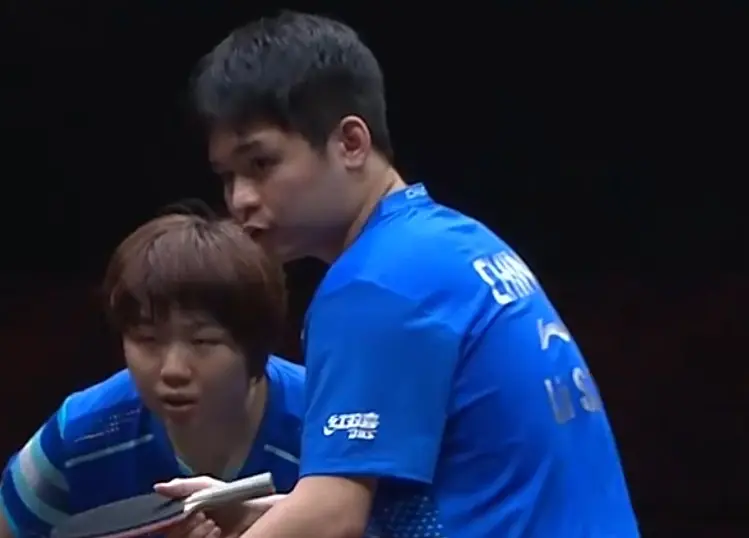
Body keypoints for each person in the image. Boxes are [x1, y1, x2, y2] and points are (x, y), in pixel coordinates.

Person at [161, 11, 640, 538]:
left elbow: (333, 518)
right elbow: (434, 492)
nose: (240, 200)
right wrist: (270, 515)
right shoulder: (455, 241)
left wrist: (302, 516)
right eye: (227, 177)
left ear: (350, 143)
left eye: (260, 164)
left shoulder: (372, 287)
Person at [0, 213, 303, 538]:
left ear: (257, 344)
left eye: (203, 341)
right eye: (148, 339)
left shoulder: (322, 420)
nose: (173, 370)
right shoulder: (81, 431)